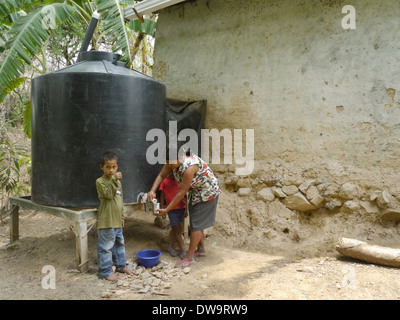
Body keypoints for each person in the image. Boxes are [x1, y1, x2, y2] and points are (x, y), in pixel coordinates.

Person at [148, 147, 221, 267]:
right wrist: (152, 191)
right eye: (167, 162)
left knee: (196, 225)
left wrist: (167, 209)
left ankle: (189, 257)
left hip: (207, 192)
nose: (169, 165)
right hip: (196, 191)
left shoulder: (189, 168)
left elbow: (181, 192)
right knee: (196, 221)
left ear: (180, 158)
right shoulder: (170, 162)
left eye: (171, 163)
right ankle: (201, 249)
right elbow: (161, 175)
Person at [95, 151, 133, 281]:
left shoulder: (117, 182)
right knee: (105, 247)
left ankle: (120, 266)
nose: (111, 170)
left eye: (114, 167)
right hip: (106, 221)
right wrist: (114, 179)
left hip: (117, 220)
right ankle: (105, 271)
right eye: (108, 167)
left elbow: (119, 200)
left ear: (117, 167)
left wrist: (122, 218)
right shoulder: (100, 182)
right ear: (102, 167)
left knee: (119, 245)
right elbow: (109, 195)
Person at [159, 173, 187, 259]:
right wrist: (162, 208)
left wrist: (186, 209)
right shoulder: (165, 181)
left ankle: (171, 247)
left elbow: (184, 194)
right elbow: (162, 196)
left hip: (181, 207)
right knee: (177, 230)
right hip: (171, 209)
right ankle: (182, 250)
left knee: (177, 230)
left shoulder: (180, 180)